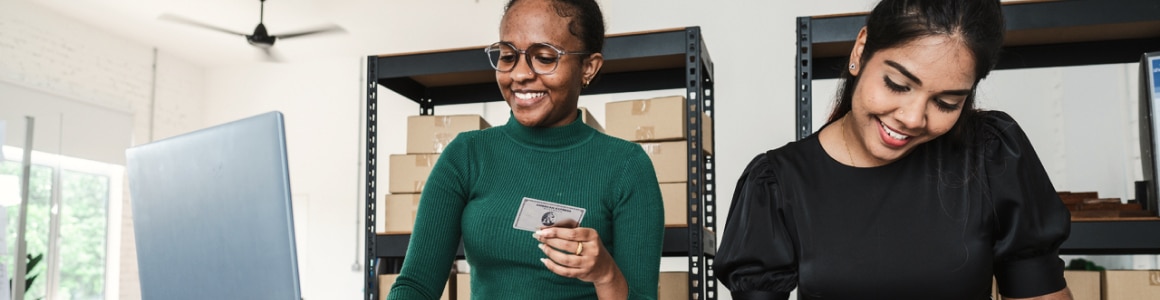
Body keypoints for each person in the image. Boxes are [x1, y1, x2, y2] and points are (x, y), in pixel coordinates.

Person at [714, 0, 1074, 299]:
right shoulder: (777, 184)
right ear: (860, 50)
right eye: (898, 84)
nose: (914, 118)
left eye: (947, 102)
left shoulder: (992, 155)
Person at [386, 0, 664, 299]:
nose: (519, 75)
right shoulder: (467, 155)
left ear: (588, 67)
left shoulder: (625, 166)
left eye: (544, 58)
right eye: (507, 56)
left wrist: (606, 274)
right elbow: (416, 285)